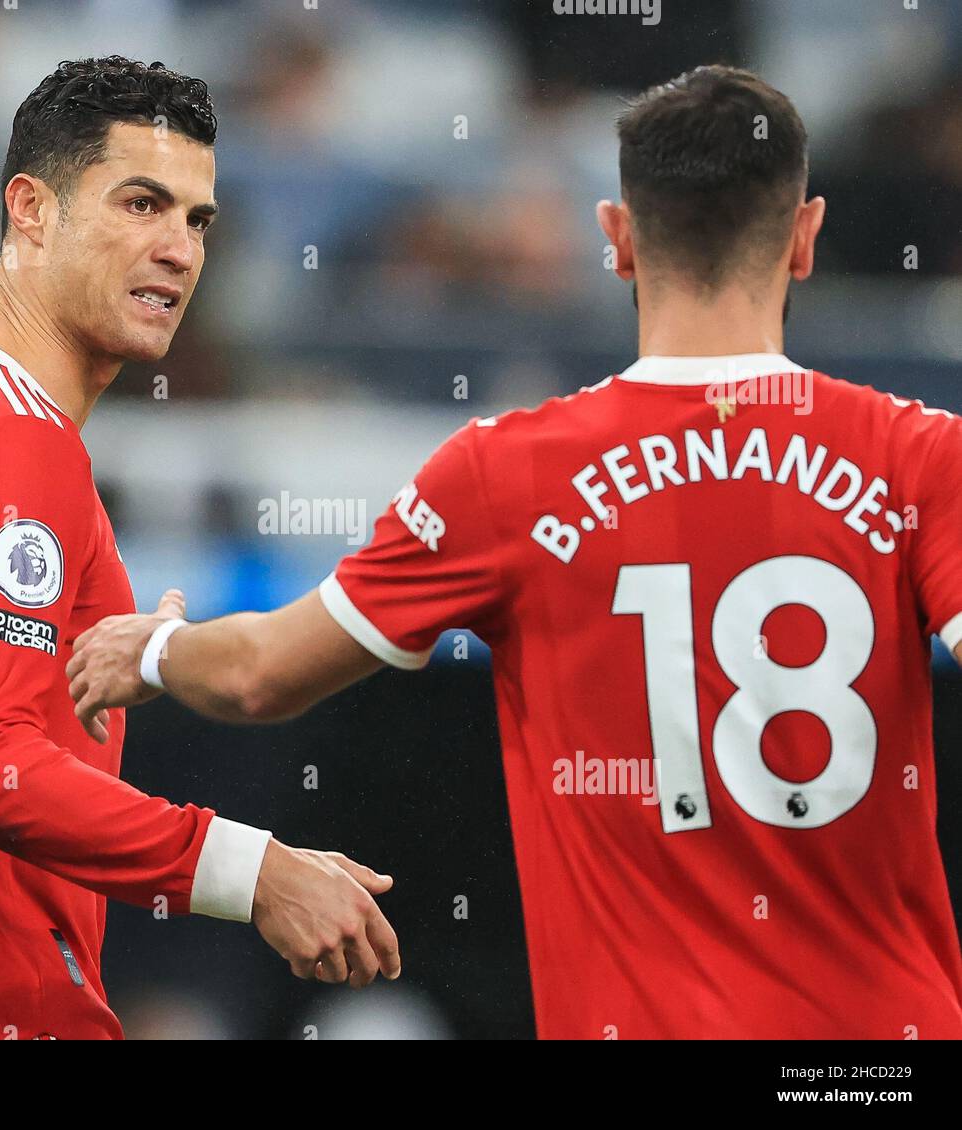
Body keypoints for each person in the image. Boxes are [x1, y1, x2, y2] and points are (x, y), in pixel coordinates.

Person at [67, 65, 962, 1039]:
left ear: (618, 239)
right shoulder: (921, 458)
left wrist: (148, 650)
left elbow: (258, 676)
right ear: (804, 238)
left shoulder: (507, 474)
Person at [0, 56, 399, 1042]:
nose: (178, 250)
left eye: (197, 220)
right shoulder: (13, 439)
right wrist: (252, 868)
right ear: (31, 209)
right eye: (141, 203)